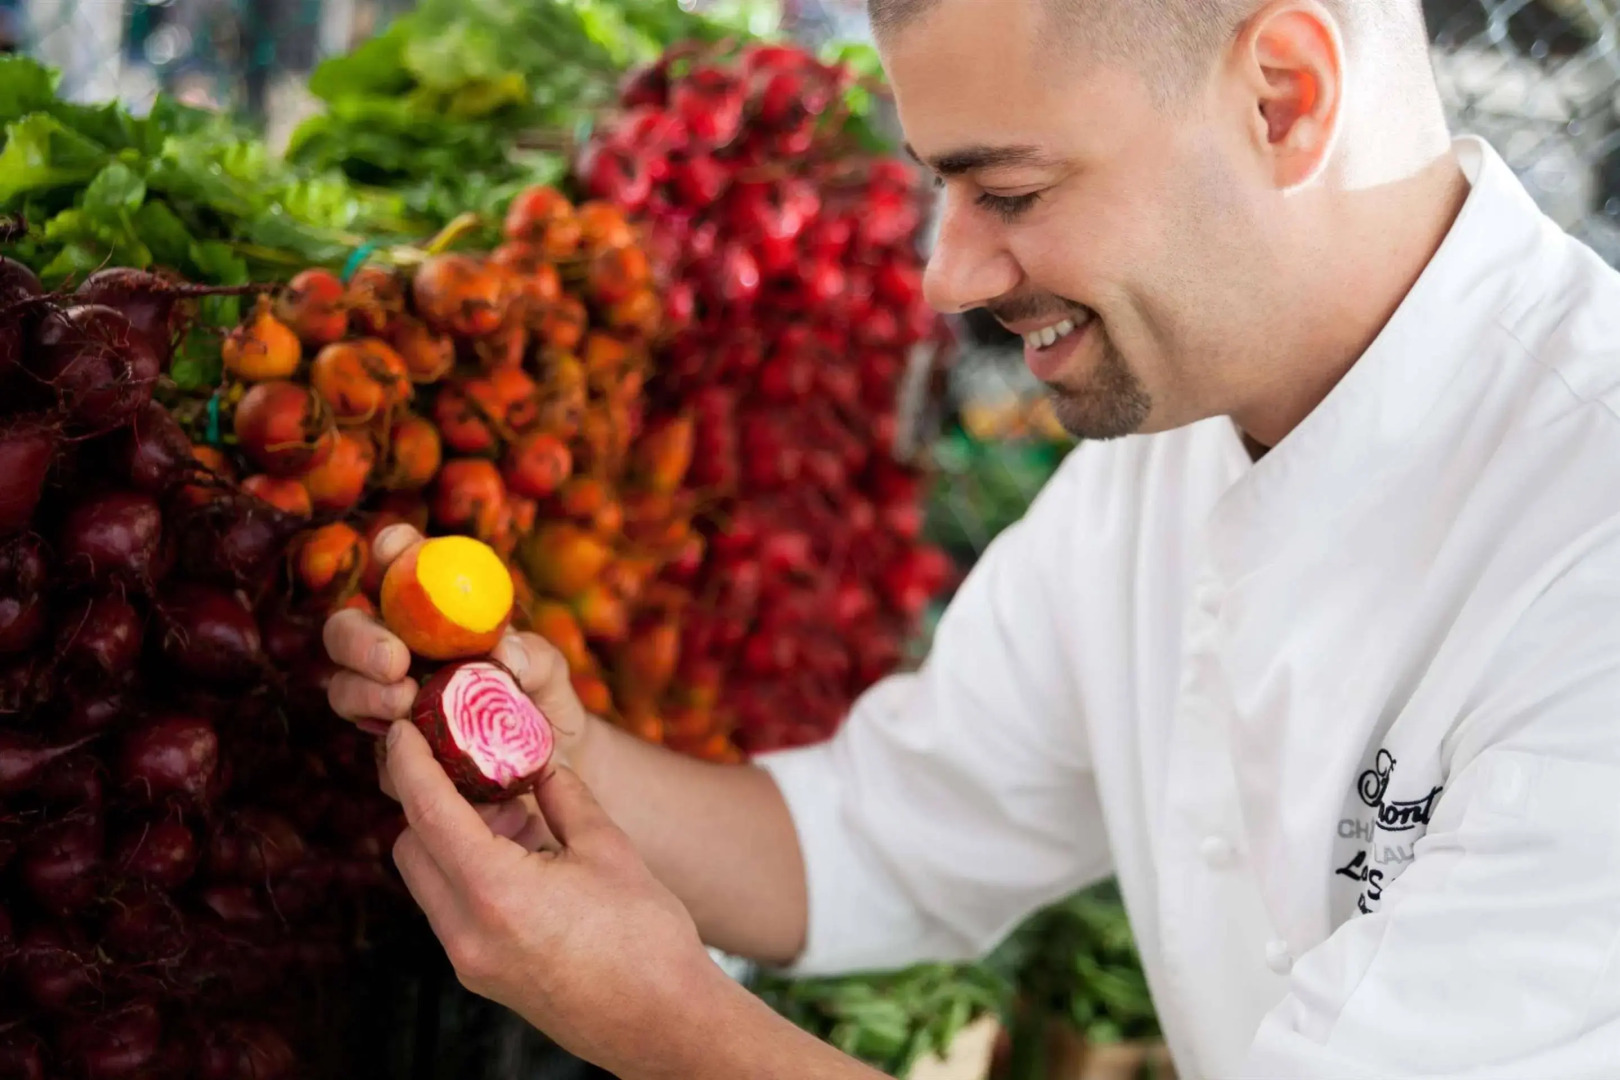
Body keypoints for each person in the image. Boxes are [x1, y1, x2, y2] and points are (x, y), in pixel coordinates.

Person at [322, 0, 1620, 1075]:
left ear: (1281, 99)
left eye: (1009, 188)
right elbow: (868, 837)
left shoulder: (1589, 539)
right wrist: (563, 753)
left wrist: (669, 1026)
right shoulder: (1176, 433)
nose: (949, 275)